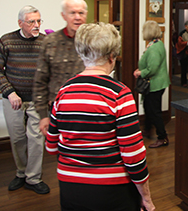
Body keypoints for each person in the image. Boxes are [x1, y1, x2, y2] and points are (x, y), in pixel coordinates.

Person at [46, 23, 155, 211]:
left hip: (70, 188)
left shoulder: (64, 92)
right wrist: (146, 196)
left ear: (82, 54)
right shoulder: (120, 94)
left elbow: (51, 146)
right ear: (112, 57)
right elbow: (133, 156)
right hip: (111, 191)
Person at [0, 5, 50, 194]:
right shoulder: (6, 41)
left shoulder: (45, 42)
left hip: (37, 100)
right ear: (20, 23)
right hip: (13, 100)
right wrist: (10, 92)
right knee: (17, 138)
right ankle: (21, 173)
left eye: (39, 21)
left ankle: (33, 178)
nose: (37, 25)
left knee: (36, 140)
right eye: (32, 21)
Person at [33, 0, 87, 136]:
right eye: (72, 13)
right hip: (59, 111)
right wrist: (43, 115)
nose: (77, 17)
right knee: (63, 151)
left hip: (89, 109)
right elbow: (40, 79)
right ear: (63, 15)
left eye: (81, 13)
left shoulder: (93, 41)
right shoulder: (51, 42)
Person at [133, 20, 171, 148]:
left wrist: (140, 73)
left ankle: (162, 137)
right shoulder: (157, 43)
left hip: (155, 84)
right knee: (148, 108)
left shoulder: (154, 48)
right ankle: (148, 129)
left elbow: (152, 69)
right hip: (157, 84)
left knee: (154, 111)